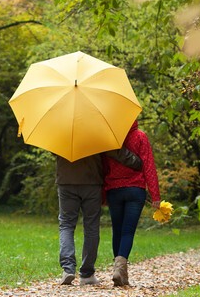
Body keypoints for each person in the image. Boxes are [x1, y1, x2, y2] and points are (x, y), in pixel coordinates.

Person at [56, 148, 142, 286]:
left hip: (66, 180)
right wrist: (136, 161)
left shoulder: (60, 128)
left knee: (66, 224)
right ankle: (87, 274)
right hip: (92, 181)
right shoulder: (96, 128)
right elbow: (113, 151)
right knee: (91, 226)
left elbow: (55, 151)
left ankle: (68, 269)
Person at [103, 120, 160, 287]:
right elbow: (148, 166)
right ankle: (120, 271)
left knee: (117, 231)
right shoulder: (140, 136)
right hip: (135, 190)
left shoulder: (110, 140)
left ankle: (119, 272)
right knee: (127, 231)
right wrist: (155, 195)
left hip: (114, 190)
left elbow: (104, 168)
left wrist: (103, 193)